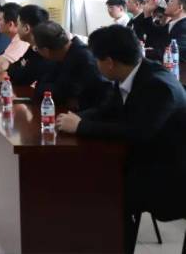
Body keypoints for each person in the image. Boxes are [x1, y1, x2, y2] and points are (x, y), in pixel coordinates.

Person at [56, 25, 186, 249]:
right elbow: (106, 110)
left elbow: (138, 132)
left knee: (105, 190)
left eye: (96, 59)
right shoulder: (130, 74)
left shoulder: (158, 86)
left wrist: (82, 126)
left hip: (170, 173)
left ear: (109, 62)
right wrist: (73, 119)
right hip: (144, 158)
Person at [33, 21, 112, 111]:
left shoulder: (85, 58)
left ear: (45, 51)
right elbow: (41, 89)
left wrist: (77, 101)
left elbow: (103, 97)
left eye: (36, 48)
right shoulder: (58, 57)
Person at [7, 5, 58, 86]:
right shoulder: (33, 48)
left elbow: (22, 79)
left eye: (18, 24)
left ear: (26, 28)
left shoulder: (43, 51)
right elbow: (13, 68)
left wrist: (18, 70)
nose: (17, 28)